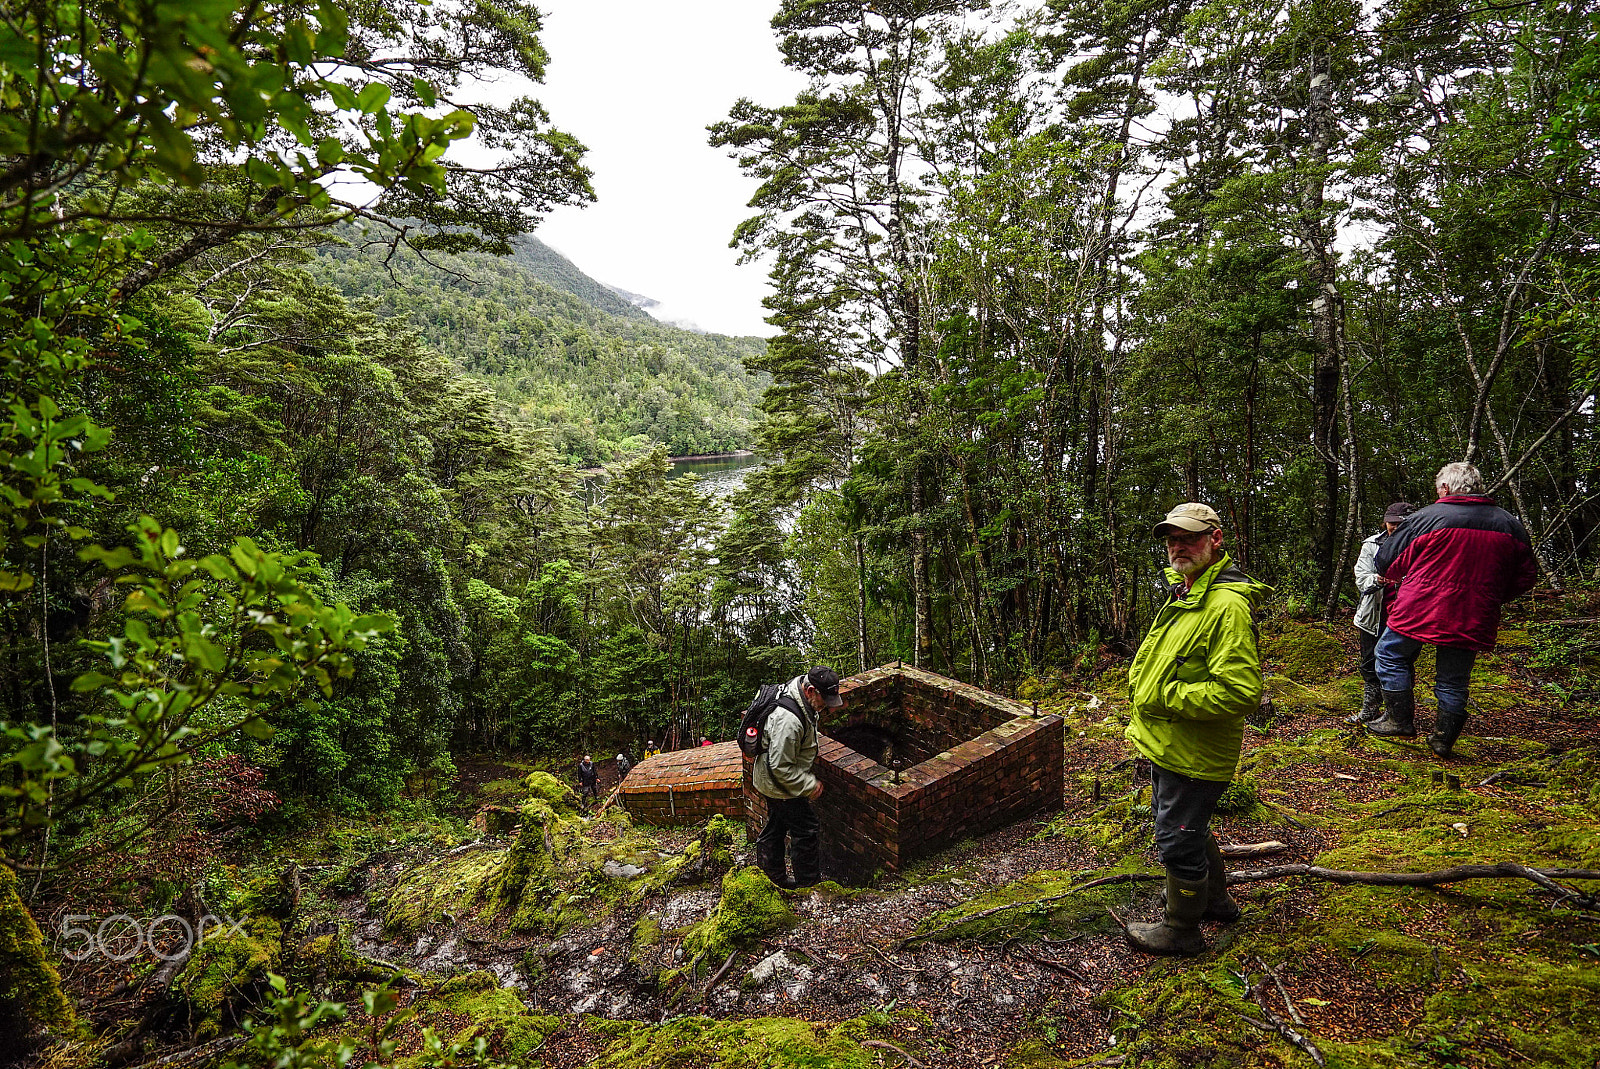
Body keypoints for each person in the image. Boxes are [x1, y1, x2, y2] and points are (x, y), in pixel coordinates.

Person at [1124, 503, 1270, 956]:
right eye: (1172, 538)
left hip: (1194, 751)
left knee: (1176, 838)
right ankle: (1217, 901)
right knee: (1191, 827)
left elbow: (1240, 693)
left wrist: (1164, 697)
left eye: (1188, 537)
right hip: (1172, 743)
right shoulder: (1186, 592)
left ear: (1216, 539)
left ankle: (1181, 930)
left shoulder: (1225, 606)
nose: (1178, 546)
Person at [1366, 462, 1537, 757]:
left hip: (1420, 607)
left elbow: (1387, 564)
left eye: (1437, 488)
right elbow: (1525, 576)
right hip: (1473, 613)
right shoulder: (1509, 523)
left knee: (1390, 653)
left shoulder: (1426, 518)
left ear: (1445, 488)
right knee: (1454, 677)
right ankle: (1444, 739)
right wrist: (1489, 597)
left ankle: (1399, 720)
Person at [752, 666, 844, 889]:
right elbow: (780, 767)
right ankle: (808, 886)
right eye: (824, 700)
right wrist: (809, 784)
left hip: (772, 777)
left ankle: (772, 878)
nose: (826, 707)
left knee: (776, 825)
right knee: (806, 828)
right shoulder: (788, 721)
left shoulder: (798, 691)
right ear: (811, 690)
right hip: (779, 782)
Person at [1347, 502, 1415, 725]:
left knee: (1400, 662)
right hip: (1373, 615)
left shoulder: (1419, 545)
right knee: (1369, 662)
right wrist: (1378, 579)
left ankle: (1396, 714)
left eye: (1398, 523)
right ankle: (1370, 710)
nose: (1393, 527)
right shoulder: (1372, 545)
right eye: (1390, 522)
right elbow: (1361, 579)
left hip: (1406, 615)